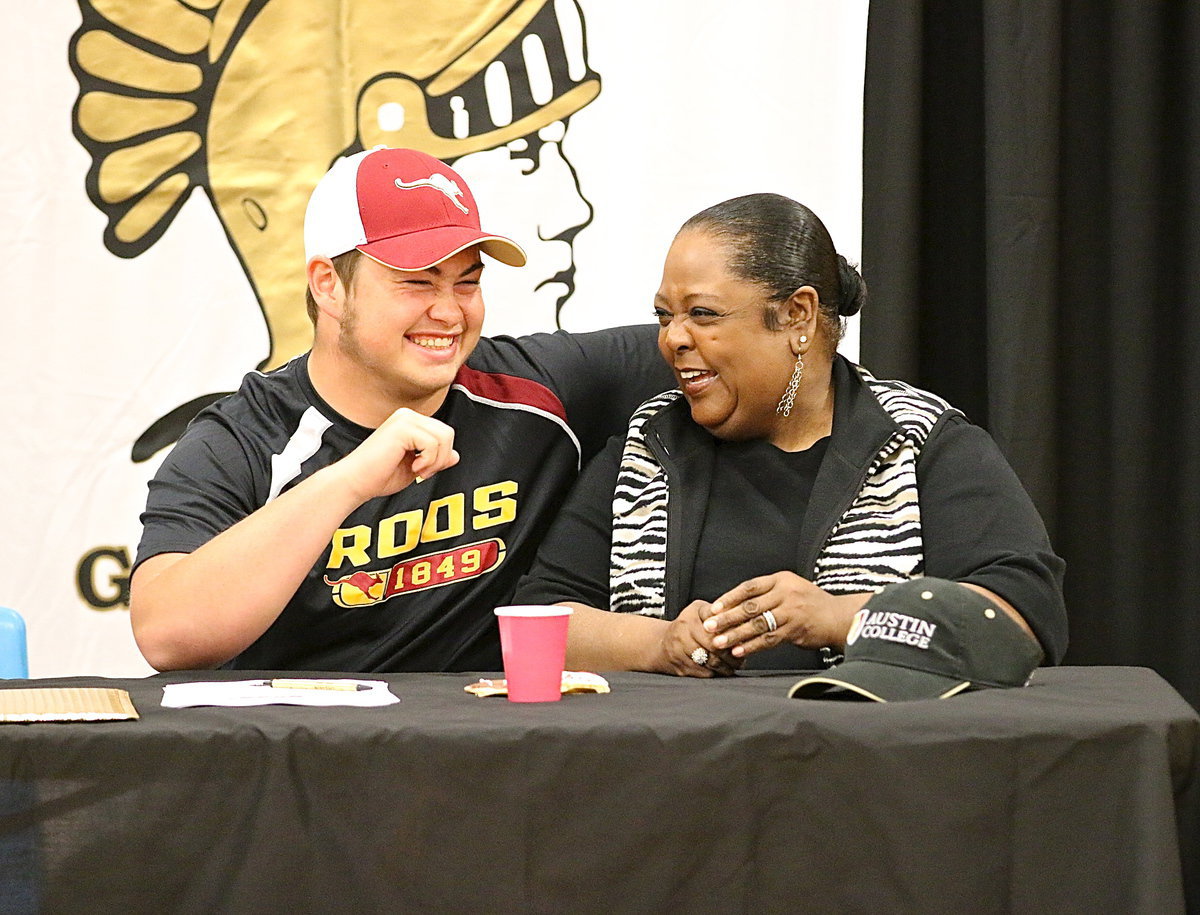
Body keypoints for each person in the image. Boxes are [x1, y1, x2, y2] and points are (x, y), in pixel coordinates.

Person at [129, 146, 672, 673]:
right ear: (329, 287)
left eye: (468, 282)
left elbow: (717, 348)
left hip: (493, 750)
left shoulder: (538, 390)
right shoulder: (242, 441)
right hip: (309, 755)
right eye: (416, 283)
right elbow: (166, 636)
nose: (448, 311)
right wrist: (349, 481)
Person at [513, 193, 1068, 677]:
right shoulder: (645, 446)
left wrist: (835, 617)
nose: (672, 339)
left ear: (797, 316)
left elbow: (1022, 615)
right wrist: (659, 644)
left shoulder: (918, 441)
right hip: (671, 769)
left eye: (702, 314)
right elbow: (539, 621)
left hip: (869, 763)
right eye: (664, 316)